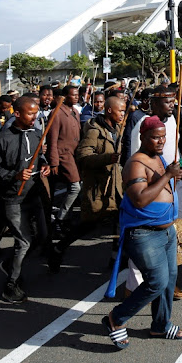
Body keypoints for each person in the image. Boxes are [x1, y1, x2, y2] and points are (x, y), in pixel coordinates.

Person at [102, 116, 182, 349]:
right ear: (143, 137)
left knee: (169, 280)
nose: (161, 141)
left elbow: (160, 188)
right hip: (144, 234)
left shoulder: (158, 157)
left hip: (166, 231)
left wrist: (173, 175)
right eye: (155, 137)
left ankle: (160, 324)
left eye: (163, 137)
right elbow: (139, 199)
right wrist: (168, 176)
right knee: (157, 281)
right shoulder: (136, 163)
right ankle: (115, 319)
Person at [49, 96, 126, 272]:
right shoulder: (94, 131)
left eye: (123, 110)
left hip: (115, 186)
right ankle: (59, 248)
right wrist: (108, 158)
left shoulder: (117, 128)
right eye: (120, 110)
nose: (122, 114)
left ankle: (115, 260)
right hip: (98, 188)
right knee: (88, 225)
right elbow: (83, 157)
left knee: (119, 222)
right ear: (109, 110)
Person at [0, 97, 51, 303]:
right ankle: (11, 284)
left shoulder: (36, 134)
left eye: (36, 113)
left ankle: (11, 263)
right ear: (17, 114)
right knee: (23, 241)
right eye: (30, 113)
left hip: (34, 194)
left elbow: (39, 157)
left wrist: (44, 164)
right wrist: (14, 176)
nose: (35, 117)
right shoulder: (3, 138)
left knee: (42, 237)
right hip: (13, 197)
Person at [47, 85, 82, 233]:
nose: (76, 97)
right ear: (65, 96)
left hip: (74, 155)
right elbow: (52, 140)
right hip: (63, 155)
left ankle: (67, 219)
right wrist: (54, 162)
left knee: (75, 187)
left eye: (77, 95)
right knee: (75, 187)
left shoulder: (74, 111)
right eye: (73, 95)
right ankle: (60, 219)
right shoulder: (57, 113)